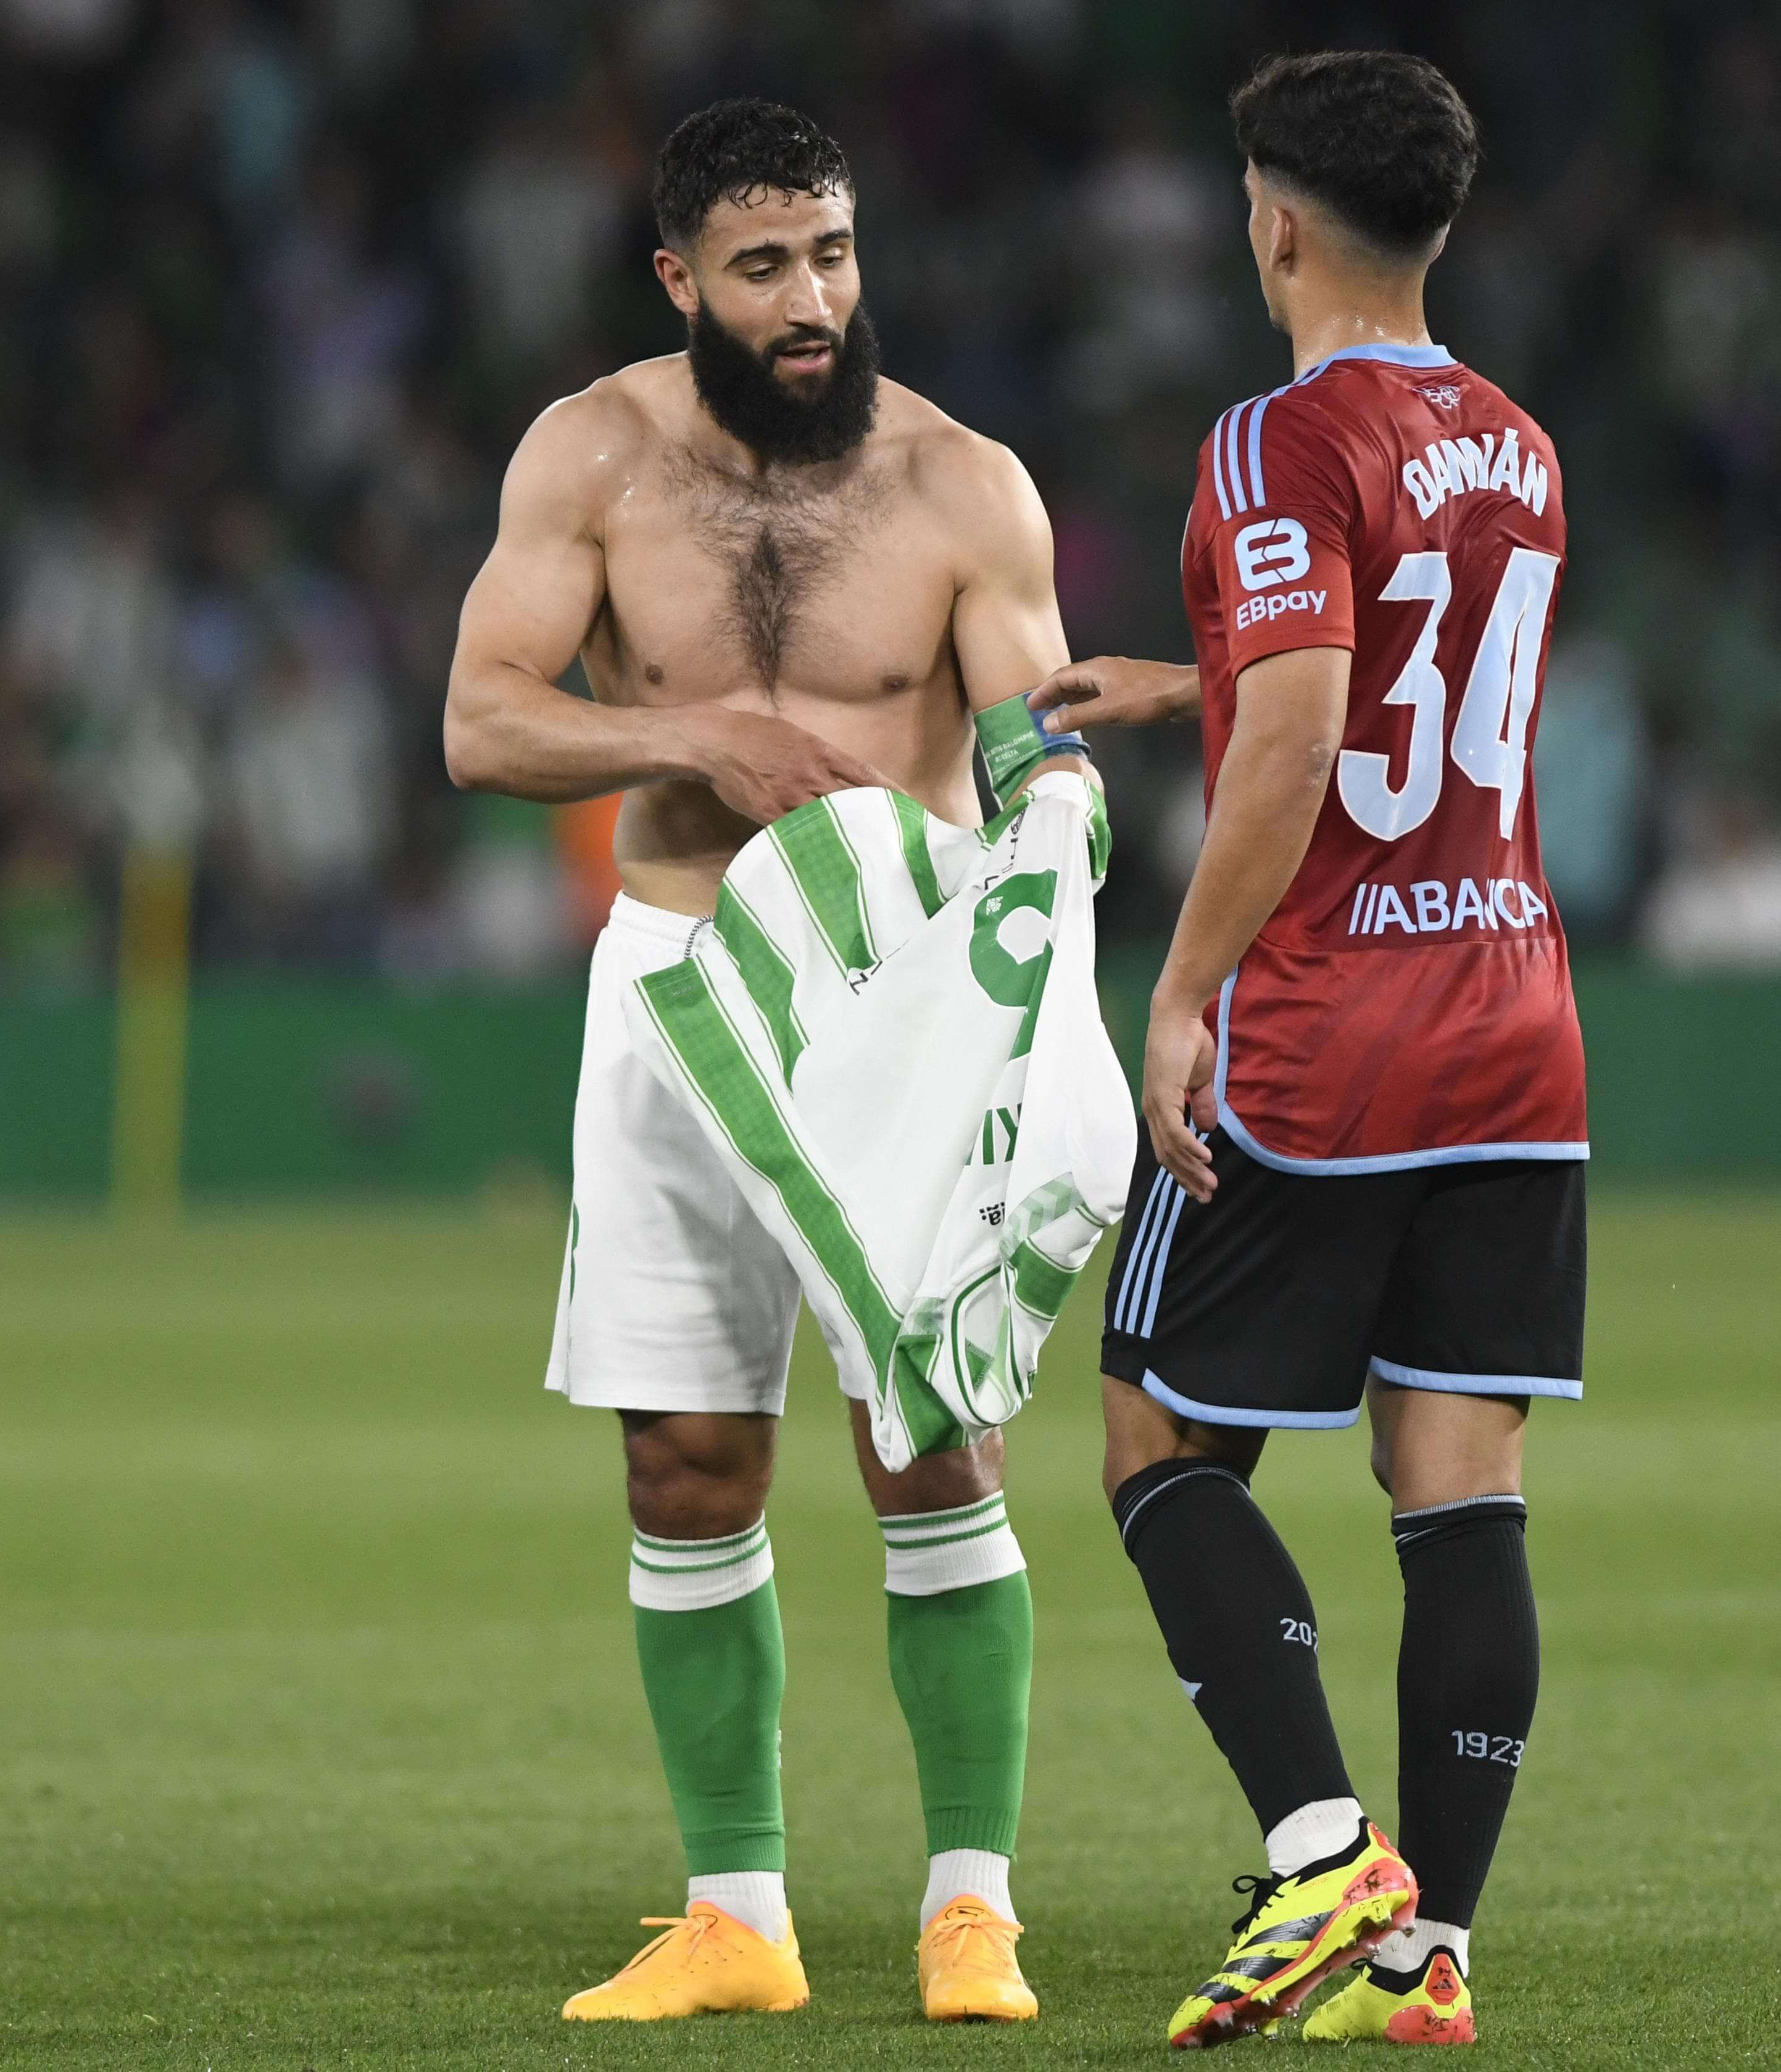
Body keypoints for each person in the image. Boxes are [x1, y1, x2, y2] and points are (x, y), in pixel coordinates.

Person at [439, 98, 1093, 2025]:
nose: (809, 301)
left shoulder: (964, 483)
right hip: (675, 976)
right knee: (684, 1457)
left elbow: (1030, 736)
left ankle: (972, 1908)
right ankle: (737, 1915)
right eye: (761, 268)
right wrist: (690, 737)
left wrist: (1057, 816)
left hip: (904, 989)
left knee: (931, 1437)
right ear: (677, 278)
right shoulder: (589, 457)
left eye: (830, 255)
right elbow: (482, 721)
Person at [1028, 51, 1580, 2050]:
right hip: (1513, 1013)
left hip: (1335, 1031)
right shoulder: (1517, 443)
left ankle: (1324, 1845)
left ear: (1273, 225)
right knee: (1458, 1479)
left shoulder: (1272, 438)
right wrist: (1192, 674)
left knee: (1153, 1436)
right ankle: (1431, 1955)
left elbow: (1312, 723)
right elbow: (1405, 664)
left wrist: (1180, 990)